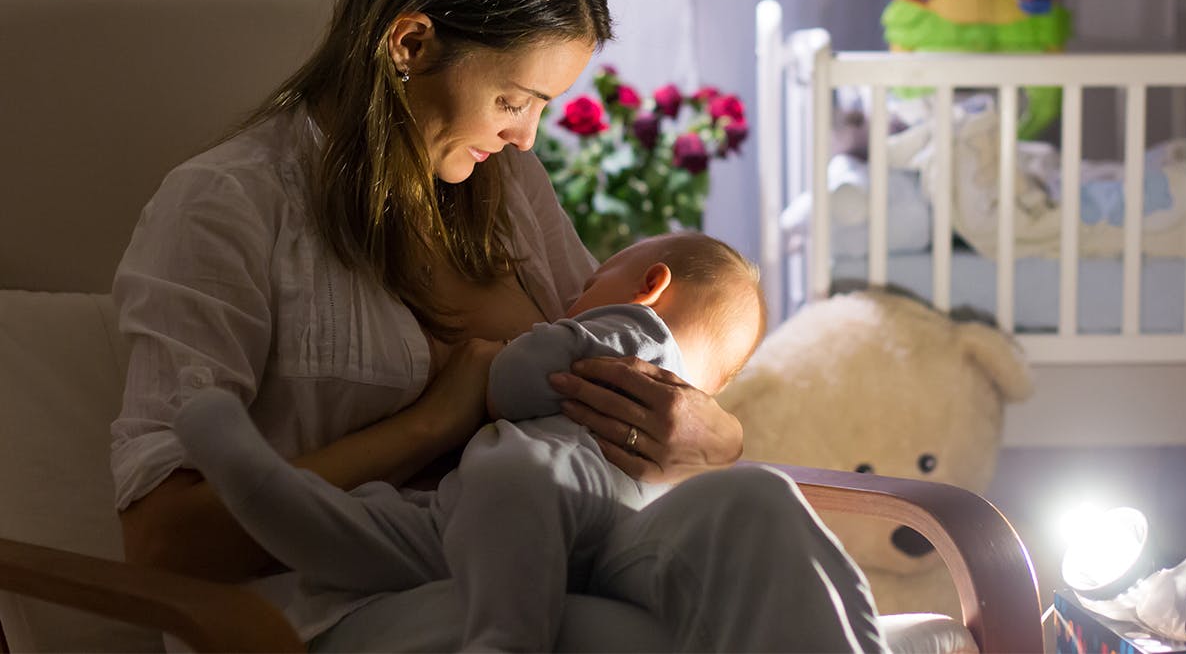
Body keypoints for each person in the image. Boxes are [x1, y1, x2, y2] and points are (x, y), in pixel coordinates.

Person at [109, 0, 887, 650]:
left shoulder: (509, 190)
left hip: (559, 542)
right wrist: (431, 423)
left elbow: (619, 341)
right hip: (338, 599)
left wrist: (710, 436)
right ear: (409, 45)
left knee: (759, 508)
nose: (526, 138)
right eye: (516, 100)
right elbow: (164, 543)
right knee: (622, 639)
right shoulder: (225, 207)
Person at [175, 231, 766, 651]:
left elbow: (518, 380)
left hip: (529, 487)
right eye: (516, 100)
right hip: (541, 528)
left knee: (408, 540)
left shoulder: (631, 331)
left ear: (651, 286)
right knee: (394, 531)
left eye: (588, 282)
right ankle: (274, 494)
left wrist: (506, 360)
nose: (569, 298)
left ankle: (268, 489)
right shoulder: (668, 375)